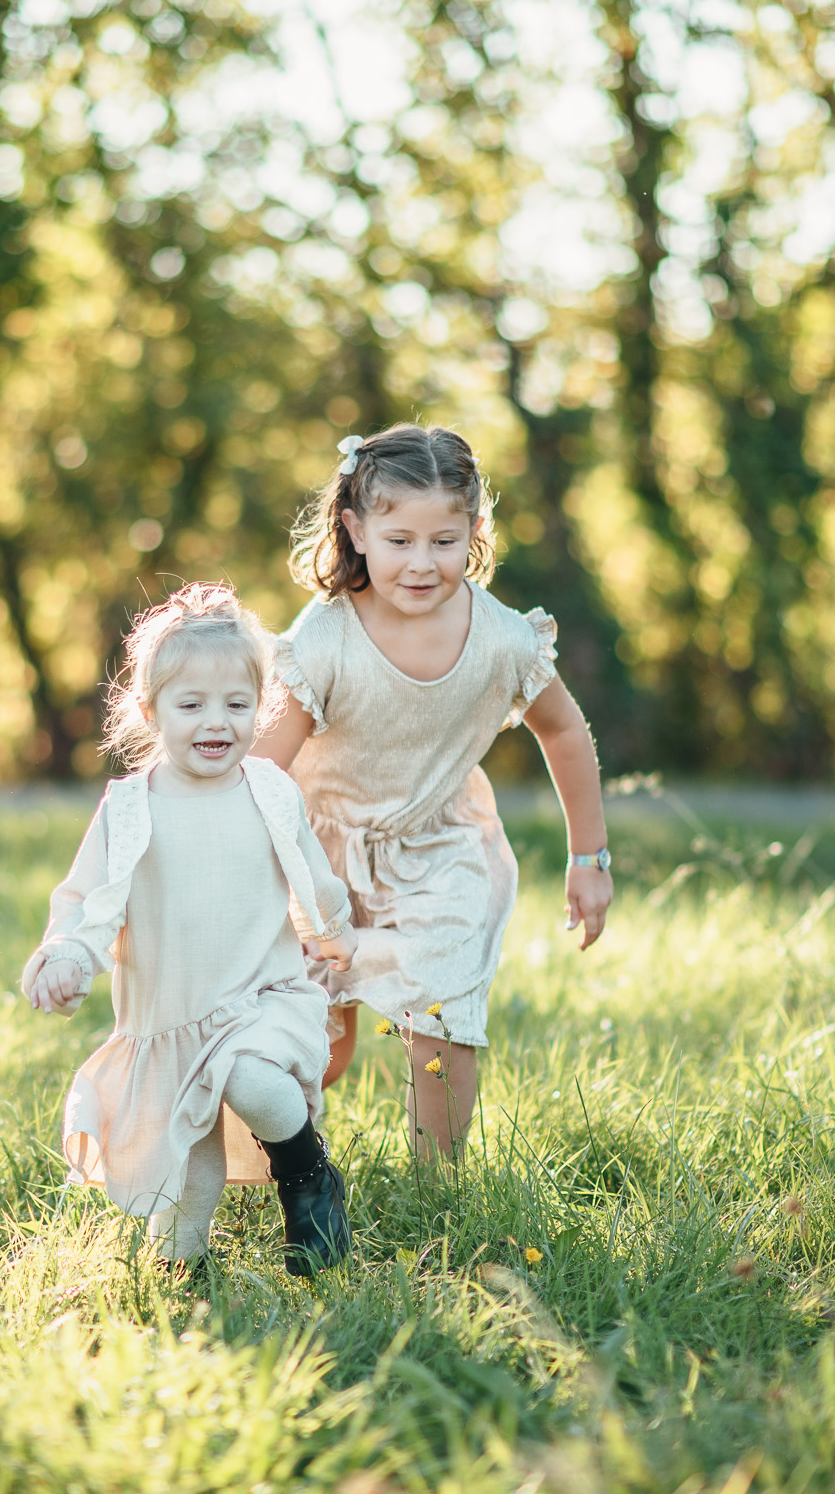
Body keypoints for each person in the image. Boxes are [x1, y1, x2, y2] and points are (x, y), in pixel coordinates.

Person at [257, 423, 614, 1161]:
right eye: (399, 541)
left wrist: (590, 859)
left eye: (444, 542)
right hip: (320, 853)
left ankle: (437, 1191)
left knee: (443, 1016)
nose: (422, 564)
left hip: (440, 845)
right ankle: (290, 1172)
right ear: (356, 530)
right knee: (317, 1036)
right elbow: (265, 767)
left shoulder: (503, 640)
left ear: (475, 530)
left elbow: (565, 733)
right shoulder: (326, 638)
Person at [20, 583, 358, 1275]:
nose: (217, 722)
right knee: (184, 1196)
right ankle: (186, 1278)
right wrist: (65, 957)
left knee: (252, 1079)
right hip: (174, 1025)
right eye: (192, 705)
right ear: (151, 711)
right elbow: (88, 900)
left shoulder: (268, 789)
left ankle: (308, 1178)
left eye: (237, 705)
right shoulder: (130, 808)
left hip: (262, 999)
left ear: (258, 709)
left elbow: (312, 874)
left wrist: (334, 935)